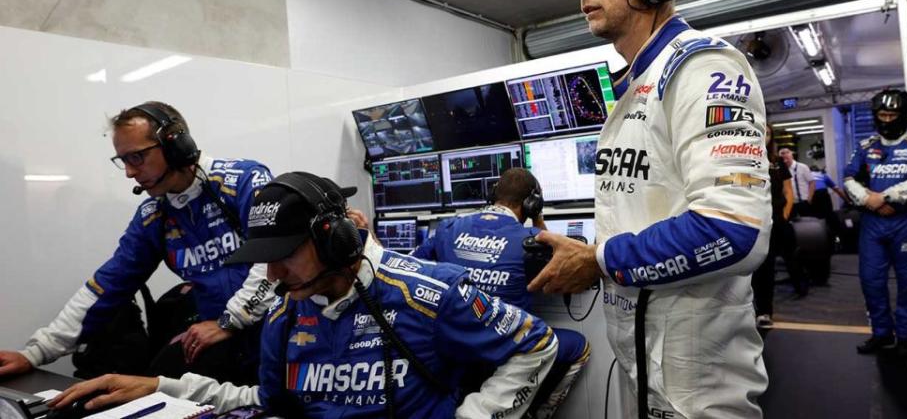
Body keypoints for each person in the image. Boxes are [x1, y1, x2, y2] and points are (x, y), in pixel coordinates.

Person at [49, 172, 558, 418]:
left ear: (334, 239)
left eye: (286, 253)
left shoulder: (427, 292)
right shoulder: (281, 319)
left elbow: (536, 344)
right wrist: (159, 385)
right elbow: (263, 400)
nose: (271, 272)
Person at [528, 0, 770, 417]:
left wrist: (597, 260)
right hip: (640, 362)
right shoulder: (636, 82)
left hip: (696, 382)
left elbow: (733, 230)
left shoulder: (702, 68)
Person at [0, 102, 275, 384]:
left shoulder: (244, 181)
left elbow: (274, 259)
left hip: (280, 339)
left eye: (137, 158)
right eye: (123, 161)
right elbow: (107, 285)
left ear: (176, 145)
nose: (130, 173)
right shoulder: (155, 215)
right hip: (222, 343)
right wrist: (36, 352)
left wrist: (229, 321)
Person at [413, 168, 590, 419]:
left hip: (454, 348)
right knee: (579, 346)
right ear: (531, 204)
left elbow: (413, 266)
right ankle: (536, 412)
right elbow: (560, 264)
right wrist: (537, 218)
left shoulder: (448, 228)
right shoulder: (532, 240)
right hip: (502, 350)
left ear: (492, 195)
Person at [844, 89, 907, 357]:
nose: (886, 119)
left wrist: (884, 197)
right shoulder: (865, 147)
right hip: (873, 224)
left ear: (904, 115)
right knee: (871, 281)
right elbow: (849, 178)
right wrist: (869, 200)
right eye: (881, 114)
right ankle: (881, 334)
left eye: (892, 114)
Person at [752, 124, 800, 329]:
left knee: (773, 264)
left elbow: (789, 192)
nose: (765, 137)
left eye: (768, 134)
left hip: (776, 220)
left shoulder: (778, 162)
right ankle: (750, 310)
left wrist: (785, 214)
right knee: (753, 268)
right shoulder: (745, 159)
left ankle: (765, 312)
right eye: (761, 132)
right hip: (751, 220)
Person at [780, 147, 815, 217]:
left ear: (792, 154)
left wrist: (810, 197)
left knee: (807, 223)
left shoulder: (803, 167)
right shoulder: (780, 170)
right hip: (789, 204)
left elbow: (812, 182)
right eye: (782, 154)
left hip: (803, 201)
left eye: (787, 152)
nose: (785, 155)